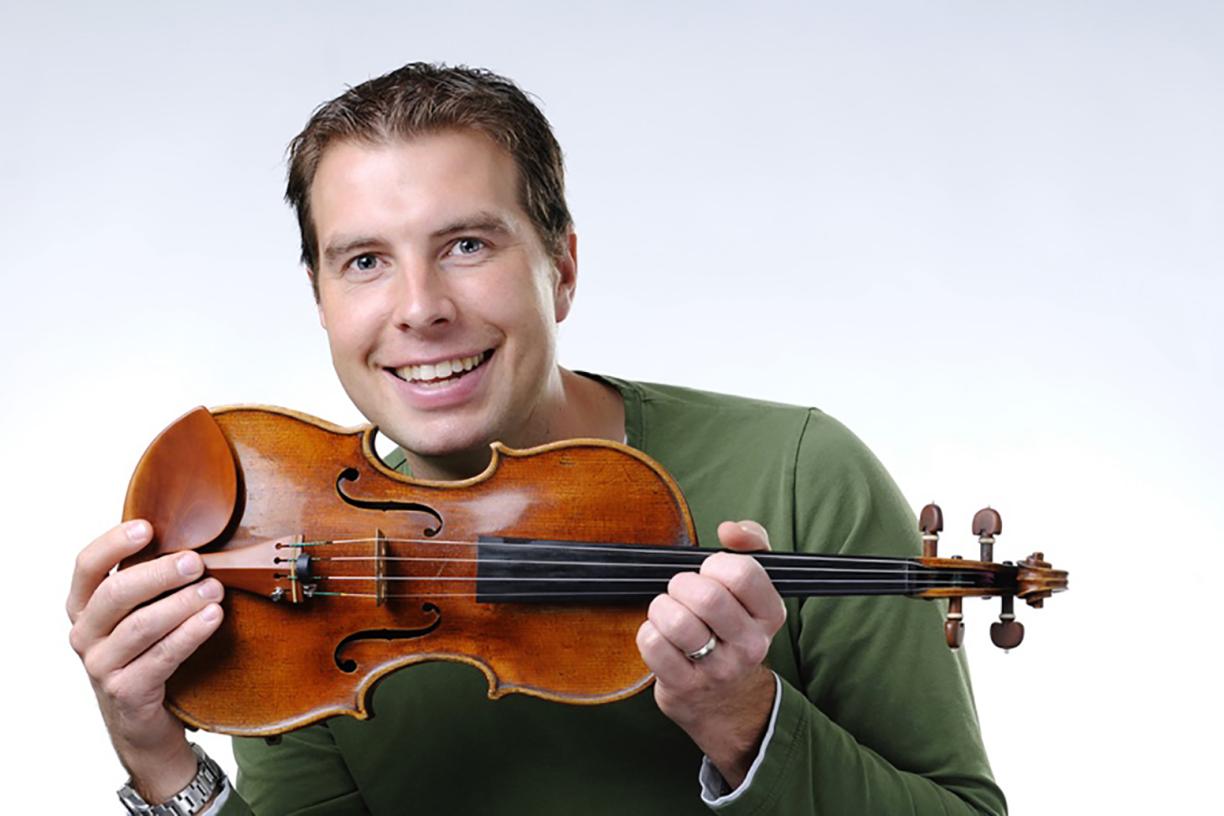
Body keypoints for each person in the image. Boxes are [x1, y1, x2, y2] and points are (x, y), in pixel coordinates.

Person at [67, 63, 1006, 815]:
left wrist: (748, 724)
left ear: (561, 267)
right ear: (320, 301)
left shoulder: (802, 473)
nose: (421, 309)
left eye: (467, 246)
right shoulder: (304, 553)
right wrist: (157, 762)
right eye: (364, 262)